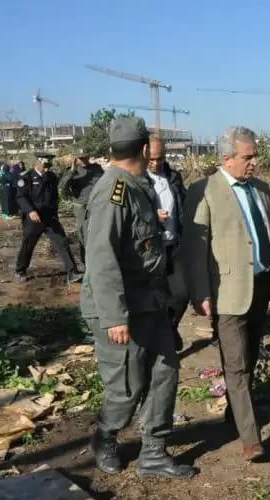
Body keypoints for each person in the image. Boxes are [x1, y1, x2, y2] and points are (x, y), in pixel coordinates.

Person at [81, 117, 195, 479]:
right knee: (126, 388)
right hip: (121, 309)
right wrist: (115, 317)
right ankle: (106, 436)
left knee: (165, 372)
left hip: (151, 302)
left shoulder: (138, 184)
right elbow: (101, 260)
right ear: (145, 149)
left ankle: (154, 452)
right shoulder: (113, 192)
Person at [183, 126, 270, 461]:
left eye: (255, 155)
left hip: (261, 286)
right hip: (227, 292)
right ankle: (251, 439)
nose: (255, 162)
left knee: (249, 357)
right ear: (227, 159)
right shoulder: (204, 191)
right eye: (248, 157)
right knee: (235, 364)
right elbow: (195, 249)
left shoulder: (261, 190)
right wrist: (200, 292)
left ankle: (235, 412)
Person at [145, 137, 189, 351]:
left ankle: (170, 327)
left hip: (174, 242)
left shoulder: (173, 177)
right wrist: (152, 215)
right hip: (151, 247)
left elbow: (183, 202)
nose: (155, 163)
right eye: (151, 159)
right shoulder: (137, 180)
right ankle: (160, 338)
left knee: (182, 293)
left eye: (160, 159)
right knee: (156, 295)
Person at [14, 153, 84, 284]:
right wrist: (30, 211)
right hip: (34, 218)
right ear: (38, 163)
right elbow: (21, 197)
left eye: (49, 166)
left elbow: (55, 195)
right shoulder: (26, 177)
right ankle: (20, 270)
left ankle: (72, 272)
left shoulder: (51, 177)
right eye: (45, 165)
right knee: (28, 245)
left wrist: (55, 214)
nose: (47, 168)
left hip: (50, 217)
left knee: (62, 242)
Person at [59, 153, 104, 264]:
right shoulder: (72, 171)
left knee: (98, 234)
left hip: (97, 206)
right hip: (81, 208)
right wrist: (72, 171)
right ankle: (86, 263)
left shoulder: (97, 168)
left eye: (84, 158)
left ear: (88, 157)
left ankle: (97, 262)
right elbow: (62, 187)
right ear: (76, 159)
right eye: (80, 158)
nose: (82, 160)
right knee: (83, 236)